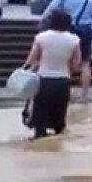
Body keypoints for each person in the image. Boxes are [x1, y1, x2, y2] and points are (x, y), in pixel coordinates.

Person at [41, 0, 92, 102]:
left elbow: (52, 8)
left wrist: (43, 21)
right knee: (85, 63)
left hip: (69, 29)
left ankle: (66, 93)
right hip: (86, 30)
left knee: (67, 62)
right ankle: (84, 95)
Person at [23, 9, 81, 139]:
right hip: (62, 82)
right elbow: (76, 64)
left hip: (43, 81)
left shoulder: (41, 37)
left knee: (40, 119)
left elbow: (32, 59)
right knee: (59, 120)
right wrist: (70, 73)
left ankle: (40, 140)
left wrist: (24, 70)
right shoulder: (74, 40)